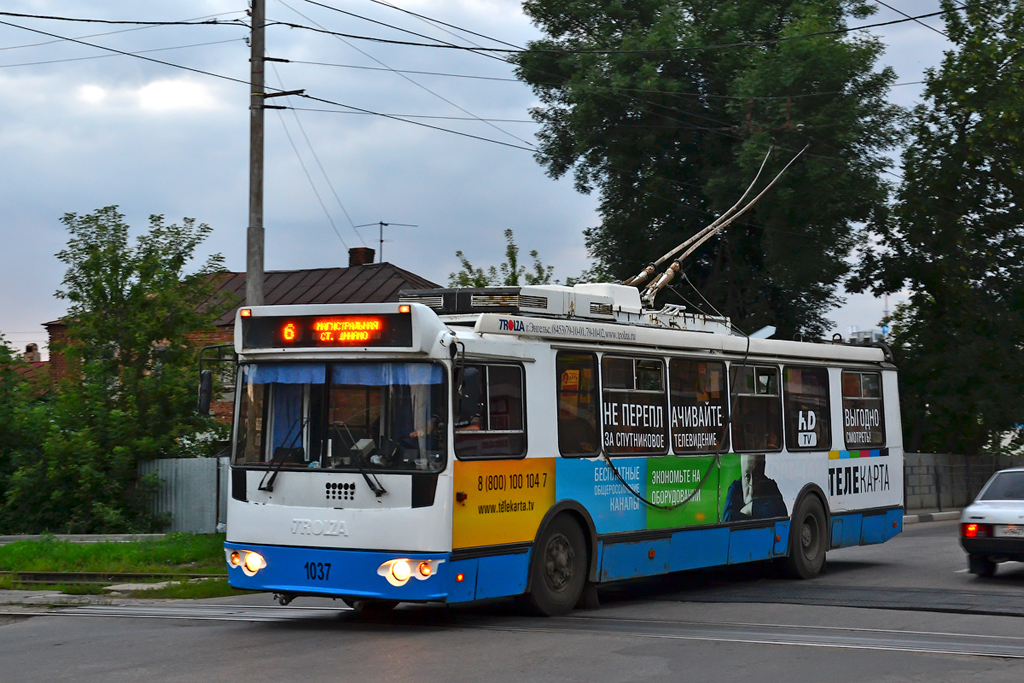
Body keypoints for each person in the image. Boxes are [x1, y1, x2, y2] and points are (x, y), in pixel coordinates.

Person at [722, 453, 788, 521]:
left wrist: (749, 509)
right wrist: (761, 511)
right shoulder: (736, 487)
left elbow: (781, 516)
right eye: (747, 476)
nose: (751, 491)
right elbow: (727, 520)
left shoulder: (769, 486)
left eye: (756, 477)